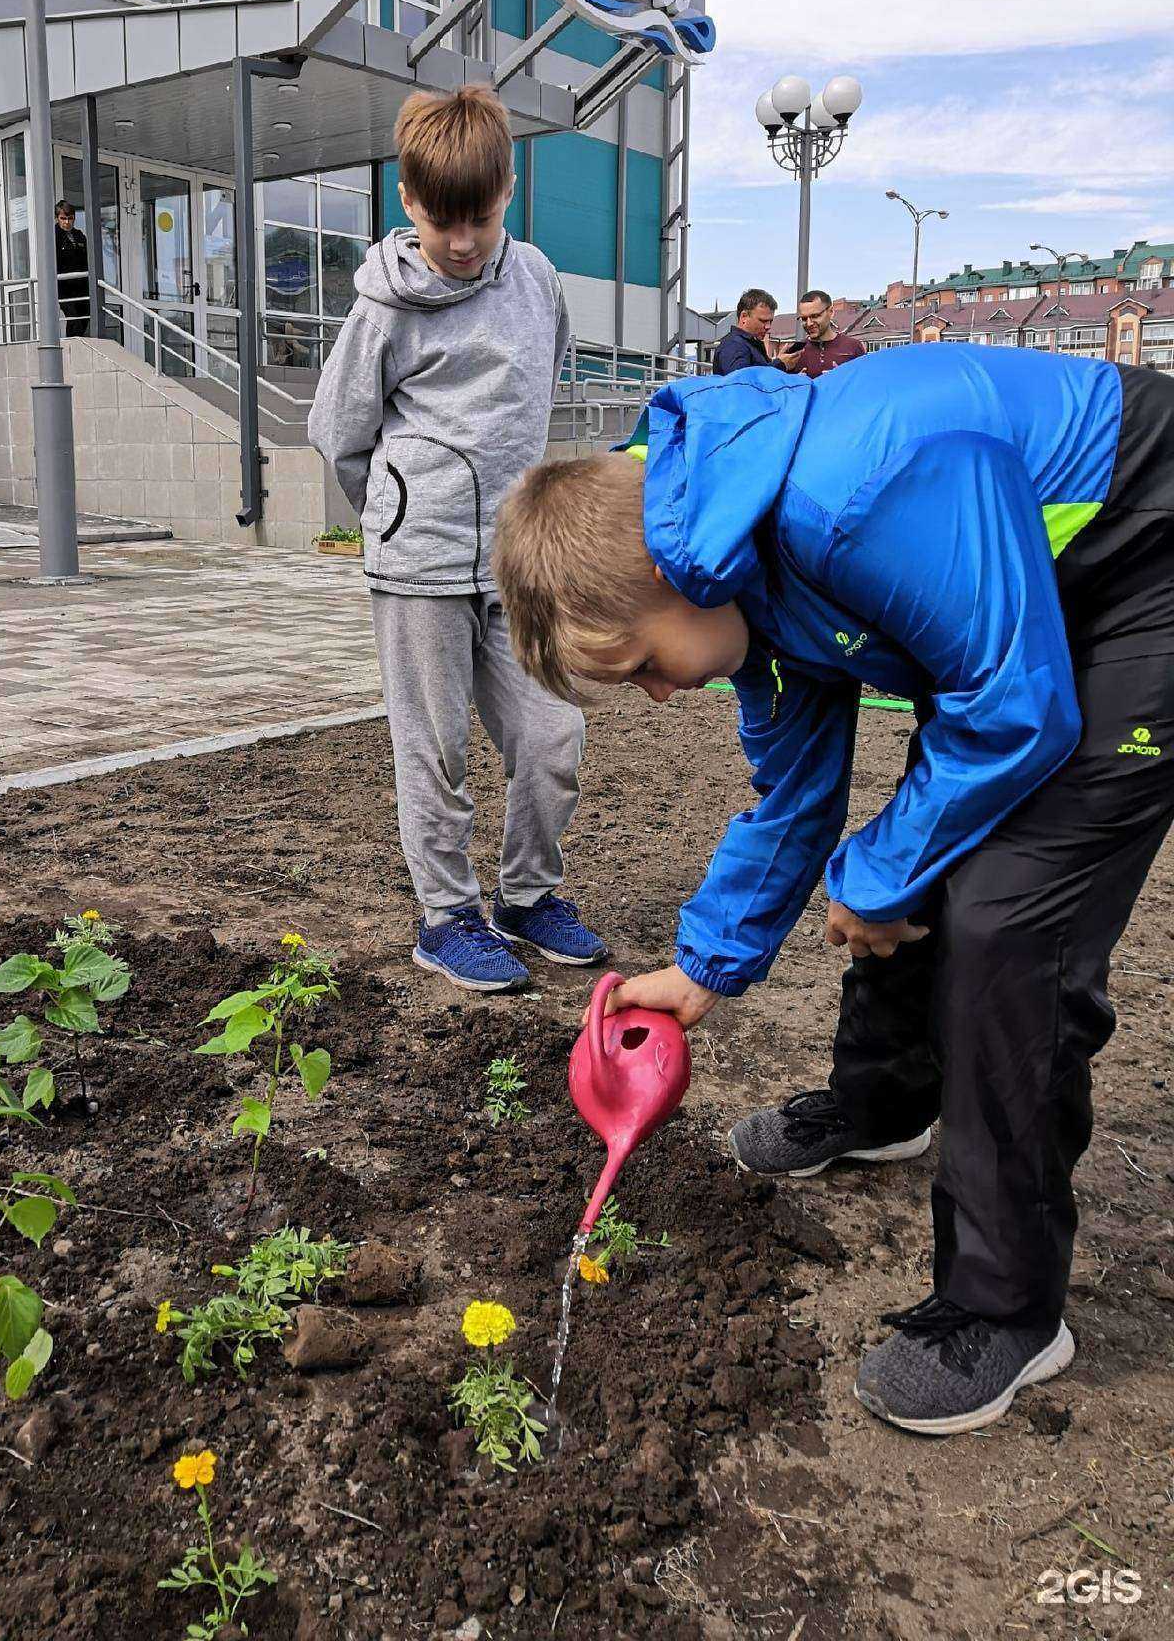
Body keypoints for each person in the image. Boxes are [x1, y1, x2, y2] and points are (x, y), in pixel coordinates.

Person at [492, 343, 1174, 1434]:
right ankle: (887, 1103)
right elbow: (793, 800)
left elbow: (1016, 710)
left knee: (1005, 917)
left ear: (674, 574)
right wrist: (703, 969)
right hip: (1012, 617)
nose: (663, 696)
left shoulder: (848, 502)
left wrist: (876, 878)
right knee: (917, 848)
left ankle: (1007, 1313)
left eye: (642, 667)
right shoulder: (740, 575)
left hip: (1142, 555)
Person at [309, 83, 606, 992]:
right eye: (443, 221)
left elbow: (538, 387)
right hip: (419, 564)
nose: (463, 241)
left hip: (511, 565)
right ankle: (446, 916)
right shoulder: (384, 308)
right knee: (433, 750)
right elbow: (337, 429)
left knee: (554, 735)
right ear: (409, 204)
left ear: (508, 193)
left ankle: (526, 896)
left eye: (477, 217)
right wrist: (397, 514)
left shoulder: (538, 281)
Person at [779, 289, 866, 376]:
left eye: (815, 316)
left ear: (831, 312)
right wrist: (794, 381)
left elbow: (866, 383)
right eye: (804, 319)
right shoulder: (794, 353)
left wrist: (841, 380)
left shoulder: (853, 347)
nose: (809, 324)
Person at [711, 288, 777, 374]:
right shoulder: (733, 345)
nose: (768, 327)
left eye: (770, 321)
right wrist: (780, 365)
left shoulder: (750, 343)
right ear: (744, 316)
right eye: (763, 321)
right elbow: (741, 380)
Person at [54, 200, 90, 338]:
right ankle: (72, 346)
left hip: (81, 286)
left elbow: (87, 258)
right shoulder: (53, 236)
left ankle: (76, 343)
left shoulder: (79, 235)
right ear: (57, 218)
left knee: (84, 317)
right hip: (64, 288)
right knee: (73, 319)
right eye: (63, 218)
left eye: (70, 218)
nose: (67, 222)